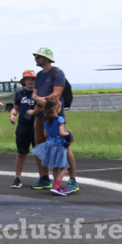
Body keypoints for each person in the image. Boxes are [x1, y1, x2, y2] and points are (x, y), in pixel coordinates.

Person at [30, 48, 79, 193]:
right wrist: (39, 99)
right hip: (41, 115)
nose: (36, 59)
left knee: (64, 146)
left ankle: (72, 179)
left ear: (46, 58)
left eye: (38, 57)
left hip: (54, 115)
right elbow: (35, 94)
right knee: (41, 144)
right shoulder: (39, 75)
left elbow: (56, 94)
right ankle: (45, 178)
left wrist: (39, 101)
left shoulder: (57, 73)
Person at [30, 98, 71, 195]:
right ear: (57, 109)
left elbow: (45, 134)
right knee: (64, 167)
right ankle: (57, 185)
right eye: (60, 106)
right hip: (59, 145)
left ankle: (57, 185)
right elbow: (61, 133)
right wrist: (67, 133)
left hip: (49, 144)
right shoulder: (60, 119)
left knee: (55, 167)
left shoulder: (46, 120)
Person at [9, 70, 38, 189]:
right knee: (21, 152)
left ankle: (43, 177)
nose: (30, 81)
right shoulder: (20, 94)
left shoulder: (39, 93)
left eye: (32, 79)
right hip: (23, 126)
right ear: (24, 81)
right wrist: (12, 114)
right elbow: (16, 108)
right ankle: (18, 178)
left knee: (39, 153)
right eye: (28, 79)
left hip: (37, 126)